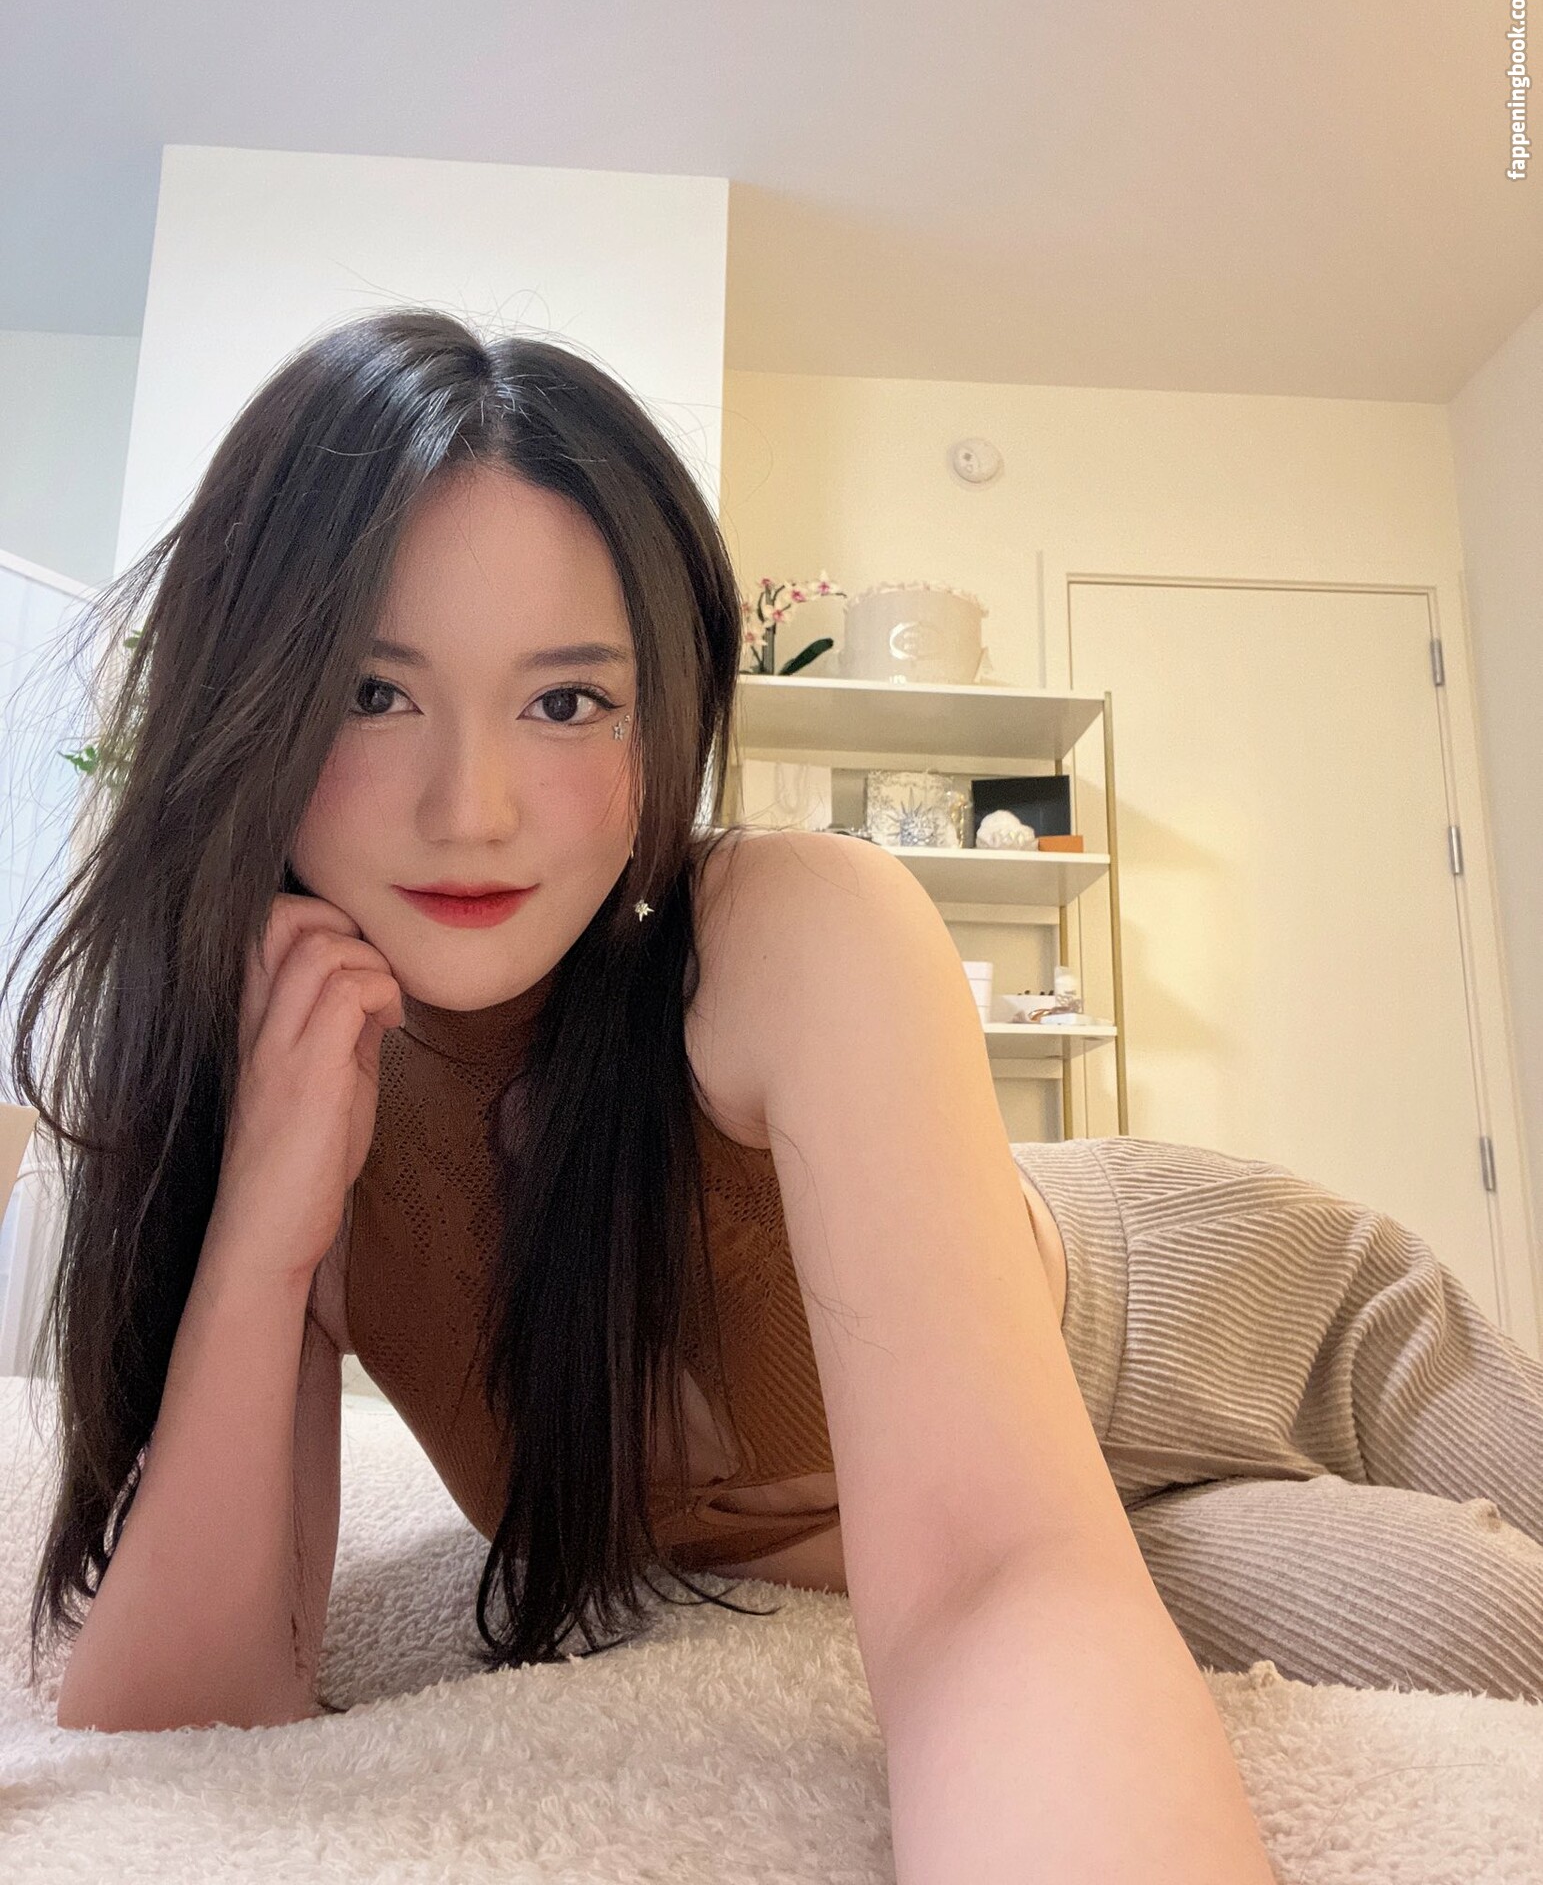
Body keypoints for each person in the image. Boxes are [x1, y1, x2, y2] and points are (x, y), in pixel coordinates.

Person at [25, 303, 1530, 1883]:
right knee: (1475, 1624)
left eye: (566, 702)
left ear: (663, 713)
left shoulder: (782, 938)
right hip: (990, 1479)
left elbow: (998, 1576)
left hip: (1222, 1309)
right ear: (247, 694)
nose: (470, 808)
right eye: (371, 692)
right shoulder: (280, 1073)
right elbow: (178, 1727)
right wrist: (264, 1234)